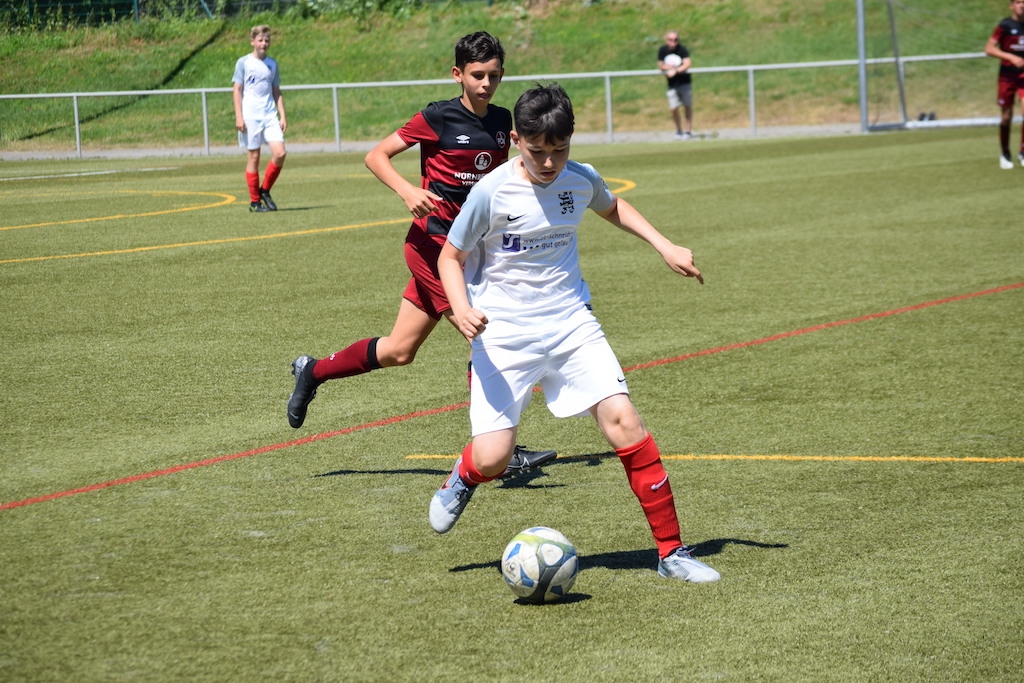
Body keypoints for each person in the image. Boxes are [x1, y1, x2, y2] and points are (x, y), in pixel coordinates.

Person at [428, 83, 720, 583]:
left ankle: (672, 553)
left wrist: (665, 245)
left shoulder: (579, 178)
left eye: (559, 150)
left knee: (625, 422)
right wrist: (461, 308)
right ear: (516, 140)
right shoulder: (491, 192)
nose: (549, 162)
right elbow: (449, 257)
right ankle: (464, 476)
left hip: (571, 324)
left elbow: (613, 206)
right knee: (494, 458)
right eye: (537, 151)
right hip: (504, 335)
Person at [287, 32, 556, 477]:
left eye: (493, 75)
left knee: (399, 350)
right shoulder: (437, 116)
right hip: (432, 247)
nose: (486, 84)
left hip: (470, 252)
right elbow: (377, 156)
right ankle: (497, 450)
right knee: (484, 335)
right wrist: (407, 190)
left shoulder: (502, 121)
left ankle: (312, 371)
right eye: (477, 75)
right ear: (457, 75)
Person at [233, 24, 287, 212]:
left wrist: (282, 115)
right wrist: (239, 116)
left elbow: (276, 91)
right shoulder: (244, 63)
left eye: (267, 40)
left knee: (280, 153)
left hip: (270, 115)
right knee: (254, 157)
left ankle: (264, 190)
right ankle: (254, 202)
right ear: (252, 41)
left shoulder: (272, 64)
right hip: (251, 116)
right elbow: (237, 90)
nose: (264, 43)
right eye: (260, 40)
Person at [985, 0, 1024, 169]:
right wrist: (1011, 57)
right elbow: (989, 49)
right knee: (1006, 116)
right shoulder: (1005, 25)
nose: (1022, 5)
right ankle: (1005, 152)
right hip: (1007, 77)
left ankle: (1023, 152)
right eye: (1018, 2)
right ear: (1012, 6)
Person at [657, 31, 693, 140]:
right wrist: (671, 68)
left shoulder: (682, 49)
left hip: (684, 83)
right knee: (674, 108)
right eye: (671, 40)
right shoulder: (663, 50)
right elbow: (661, 65)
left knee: (687, 106)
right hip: (672, 84)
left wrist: (676, 71)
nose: (674, 42)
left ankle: (687, 131)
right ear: (667, 40)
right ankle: (678, 130)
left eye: (676, 39)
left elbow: (687, 63)